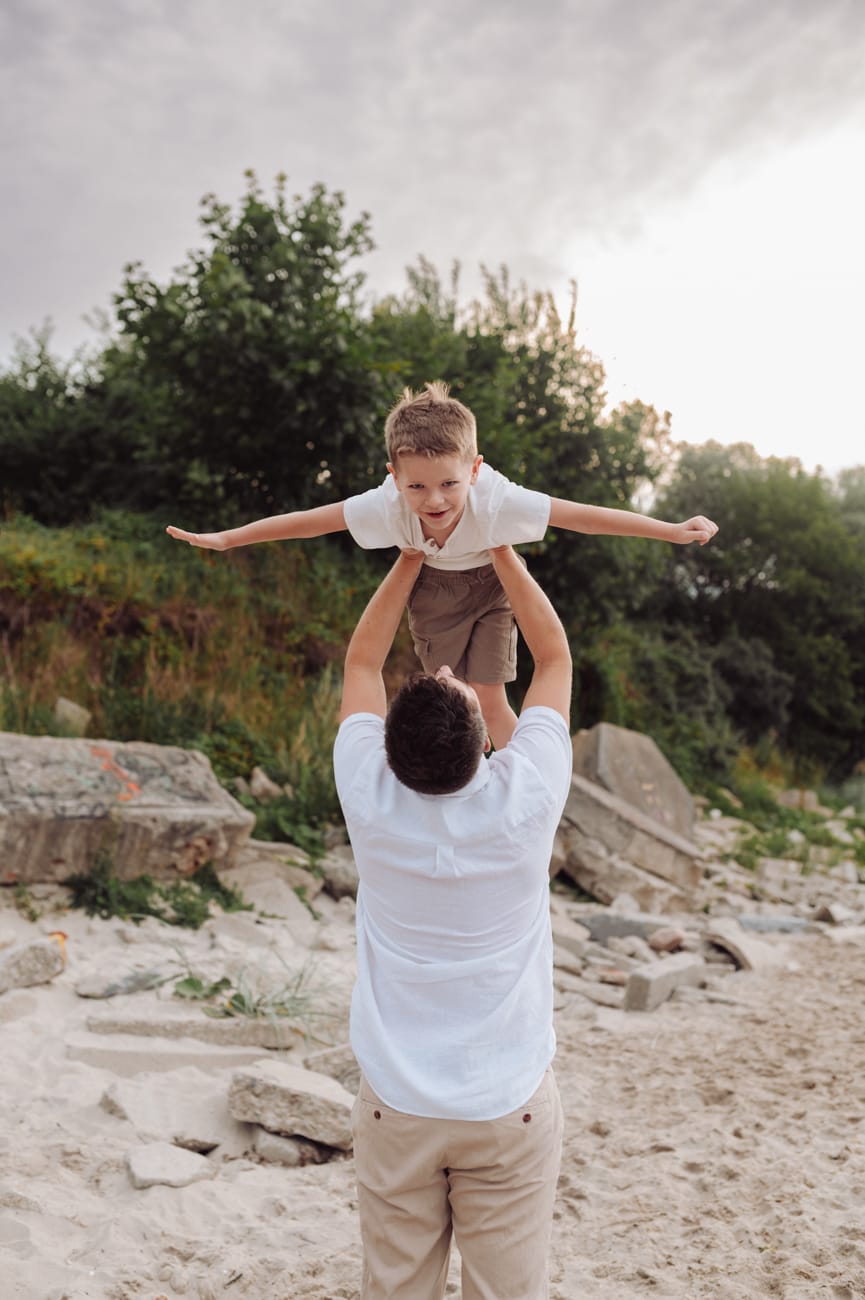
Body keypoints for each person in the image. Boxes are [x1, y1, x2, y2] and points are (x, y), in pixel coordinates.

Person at [167, 381, 718, 749]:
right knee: (447, 694)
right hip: (432, 589)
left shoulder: (499, 501)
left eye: (450, 483)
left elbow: (581, 517)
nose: (434, 501)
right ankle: (451, 775)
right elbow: (311, 520)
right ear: (393, 475)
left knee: (492, 695)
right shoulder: (385, 504)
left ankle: (523, 782)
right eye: (417, 487)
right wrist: (229, 539)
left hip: (494, 584)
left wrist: (667, 530)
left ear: (474, 469)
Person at [334, 541, 573, 1300]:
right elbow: (554, 657)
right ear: (482, 745)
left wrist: (407, 557)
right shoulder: (525, 797)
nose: (448, 673)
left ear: (389, 750)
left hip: (397, 1105)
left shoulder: (369, 798)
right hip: (506, 1107)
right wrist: (499, 545)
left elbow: (361, 665)